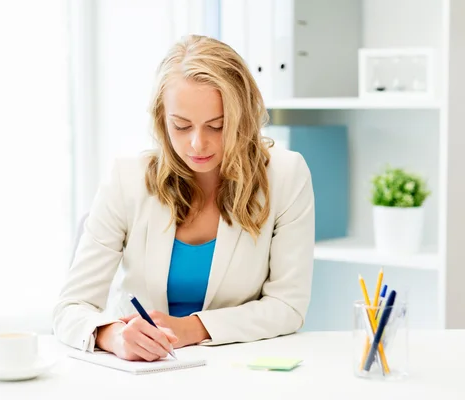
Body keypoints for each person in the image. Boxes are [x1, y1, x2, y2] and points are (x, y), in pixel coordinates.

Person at [53, 34, 315, 362]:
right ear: (162, 120)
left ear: (243, 119)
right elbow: (70, 309)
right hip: (146, 371)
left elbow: (287, 307)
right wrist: (116, 336)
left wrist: (191, 328)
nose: (197, 144)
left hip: (240, 366)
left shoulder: (286, 175)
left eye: (217, 126)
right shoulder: (127, 179)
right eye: (181, 126)